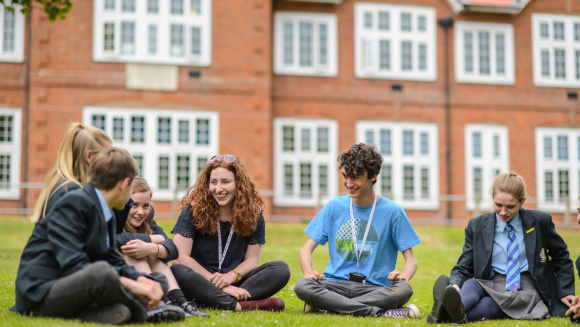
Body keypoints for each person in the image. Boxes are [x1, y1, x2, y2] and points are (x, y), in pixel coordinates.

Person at [12, 147, 185, 324]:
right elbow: (75, 266)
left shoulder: (106, 210)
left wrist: (142, 279)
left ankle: (120, 311)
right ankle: (144, 310)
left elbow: (112, 260)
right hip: (42, 292)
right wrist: (134, 285)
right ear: (125, 184)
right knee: (101, 273)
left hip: (81, 287)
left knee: (156, 281)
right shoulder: (75, 202)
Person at [294, 143, 422, 319]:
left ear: (374, 175)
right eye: (345, 176)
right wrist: (309, 272)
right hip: (334, 285)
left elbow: (411, 261)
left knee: (404, 289)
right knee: (303, 285)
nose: (349, 183)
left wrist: (404, 276)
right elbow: (305, 250)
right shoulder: (333, 207)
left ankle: (329, 306)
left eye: (356, 177)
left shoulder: (393, 211)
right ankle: (379, 312)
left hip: (375, 288)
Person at [428, 172, 575, 324]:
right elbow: (464, 265)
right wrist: (455, 284)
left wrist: (565, 291)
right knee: (472, 284)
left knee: (490, 305)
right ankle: (456, 308)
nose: (503, 212)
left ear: (522, 201)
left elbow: (561, 257)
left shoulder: (540, 221)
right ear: (492, 199)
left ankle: (444, 312)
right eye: (498, 205)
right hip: (492, 282)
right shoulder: (477, 225)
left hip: (525, 286)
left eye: (510, 206)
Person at [171, 154, 291, 312]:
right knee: (177, 271)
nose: (218, 189)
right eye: (213, 182)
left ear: (238, 184)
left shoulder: (253, 214)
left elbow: (252, 260)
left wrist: (230, 278)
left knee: (281, 269)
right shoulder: (192, 211)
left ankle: (208, 300)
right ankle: (240, 304)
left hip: (236, 281)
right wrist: (219, 285)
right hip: (199, 279)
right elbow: (180, 258)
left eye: (225, 182)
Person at [117, 176, 208, 317]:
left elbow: (172, 248)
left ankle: (181, 303)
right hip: (123, 280)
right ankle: (163, 302)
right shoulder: (115, 219)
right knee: (135, 249)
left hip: (148, 274)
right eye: (134, 205)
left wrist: (153, 248)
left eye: (145, 206)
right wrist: (153, 239)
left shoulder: (147, 221)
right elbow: (119, 239)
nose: (140, 212)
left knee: (154, 253)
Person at [30, 122, 112, 223]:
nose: (111, 163)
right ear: (89, 156)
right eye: (108, 156)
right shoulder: (72, 192)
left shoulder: (63, 185)